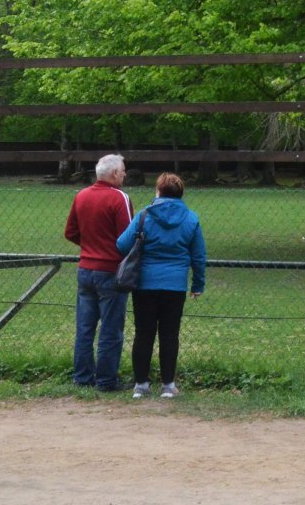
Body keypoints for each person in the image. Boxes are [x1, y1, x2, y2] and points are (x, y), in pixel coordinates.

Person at [116, 172, 207, 399]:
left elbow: (122, 244)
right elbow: (198, 256)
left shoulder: (145, 215)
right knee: (169, 334)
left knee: (143, 333)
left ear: (158, 191)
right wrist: (197, 283)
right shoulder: (191, 219)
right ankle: (168, 385)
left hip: (145, 283)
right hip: (174, 285)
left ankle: (141, 384)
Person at [63, 153, 133, 392]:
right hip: (111, 271)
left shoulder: (81, 196)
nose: (124, 173)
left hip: (85, 269)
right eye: (123, 170)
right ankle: (106, 380)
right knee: (111, 329)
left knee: (84, 328)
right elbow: (128, 238)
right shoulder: (119, 198)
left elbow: (70, 232)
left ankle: (82, 377)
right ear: (114, 173)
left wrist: (90, 246)